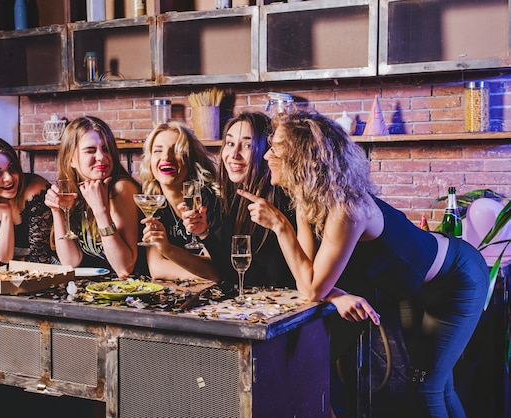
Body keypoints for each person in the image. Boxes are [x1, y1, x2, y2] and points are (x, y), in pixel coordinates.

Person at [238, 111, 488, 417]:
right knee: (433, 382)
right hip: (415, 291)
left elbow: (313, 286)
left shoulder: (348, 208)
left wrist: (281, 227)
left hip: (456, 281)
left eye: (275, 147)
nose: (266, 155)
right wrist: (336, 294)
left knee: (425, 385)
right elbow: (309, 273)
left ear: (301, 156)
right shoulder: (309, 198)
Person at [184, 112, 297, 290]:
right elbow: (231, 273)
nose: (234, 154)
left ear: (266, 151)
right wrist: (204, 233)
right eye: (230, 143)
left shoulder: (285, 200)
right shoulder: (229, 198)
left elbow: (274, 278)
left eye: (247, 145)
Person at [44, 116, 140, 276]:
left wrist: (100, 211)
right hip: (95, 290)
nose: (101, 157)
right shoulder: (74, 192)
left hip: (132, 290)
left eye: (106, 149)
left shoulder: (121, 188)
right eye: (90, 150)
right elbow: (71, 262)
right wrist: (57, 211)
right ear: (71, 159)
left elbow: (125, 268)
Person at [139, 122, 221, 282]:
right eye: (157, 150)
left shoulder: (209, 199)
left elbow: (216, 271)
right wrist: (203, 273)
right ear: (149, 161)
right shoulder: (152, 202)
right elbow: (156, 268)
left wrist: (168, 250)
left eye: (176, 150)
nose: (166, 157)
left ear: (190, 159)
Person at [0, 134, 55, 264]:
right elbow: (1, 259)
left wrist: (14, 259)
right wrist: (6, 214)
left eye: (11, 167)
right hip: (20, 274)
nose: (9, 178)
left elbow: (41, 259)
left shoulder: (35, 190)